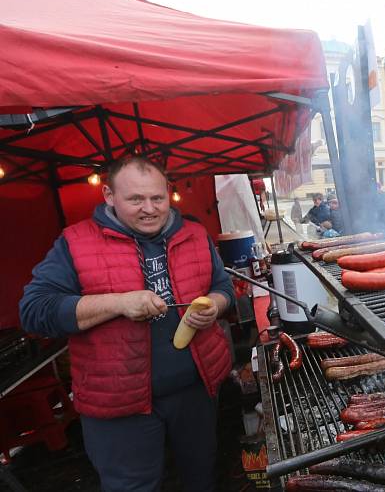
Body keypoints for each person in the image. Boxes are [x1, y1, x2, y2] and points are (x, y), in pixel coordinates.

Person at [19, 156, 234, 492]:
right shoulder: (75, 242)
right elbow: (34, 310)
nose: (148, 209)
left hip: (195, 390)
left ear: (168, 194)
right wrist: (118, 303)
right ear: (108, 195)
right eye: (135, 199)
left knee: (202, 475)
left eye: (157, 198)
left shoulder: (194, 234)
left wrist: (215, 306)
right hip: (118, 406)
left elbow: (223, 288)